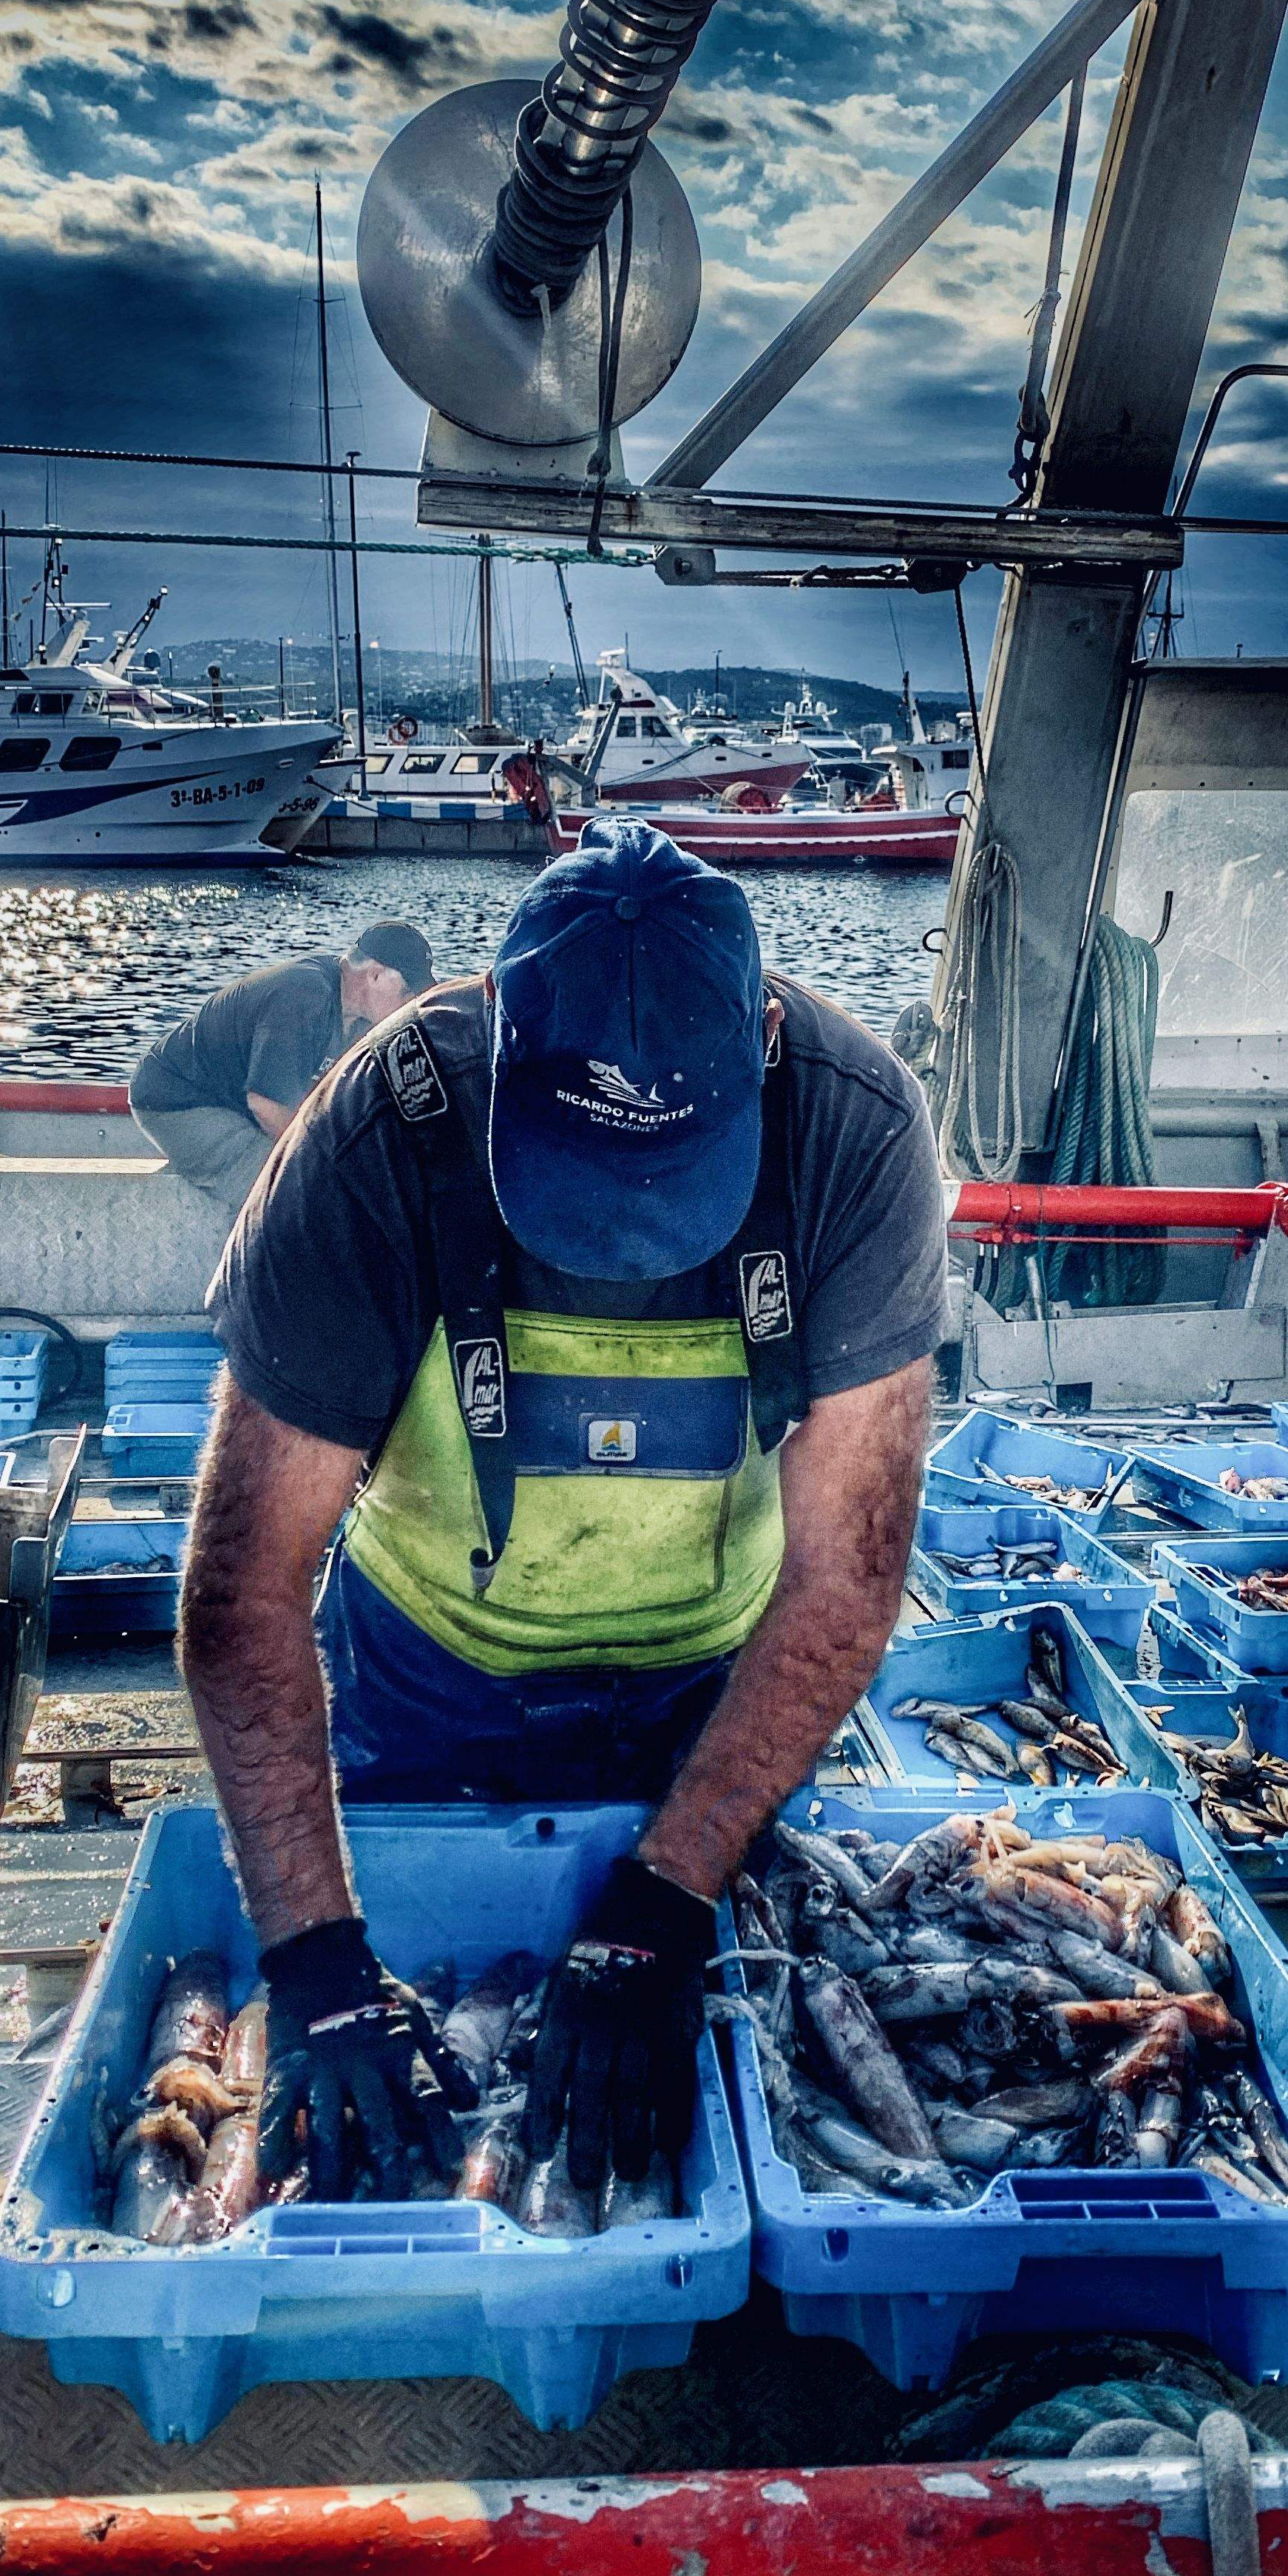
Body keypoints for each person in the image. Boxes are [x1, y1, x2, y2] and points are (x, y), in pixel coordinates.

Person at [177, 821, 947, 2201]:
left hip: (718, 1690)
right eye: (584, 1185)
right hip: (425, 1675)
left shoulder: (855, 1132)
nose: (632, 1242)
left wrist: (667, 1893)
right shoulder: (376, 1131)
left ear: (764, 1037)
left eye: (674, 1181)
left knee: (704, 2070)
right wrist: (316, 1967)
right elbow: (241, 1587)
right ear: (495, 1035)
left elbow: (846, 1576)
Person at [129, 924, 435, 1221]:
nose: (412, 1007)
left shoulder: (362, 1016)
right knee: (298, 1194)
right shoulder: (302, 995)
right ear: (375, 976)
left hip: (241, 1105)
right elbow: (267, 1105)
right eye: (408, 994)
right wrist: (336, 1165)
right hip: (179, 1102)